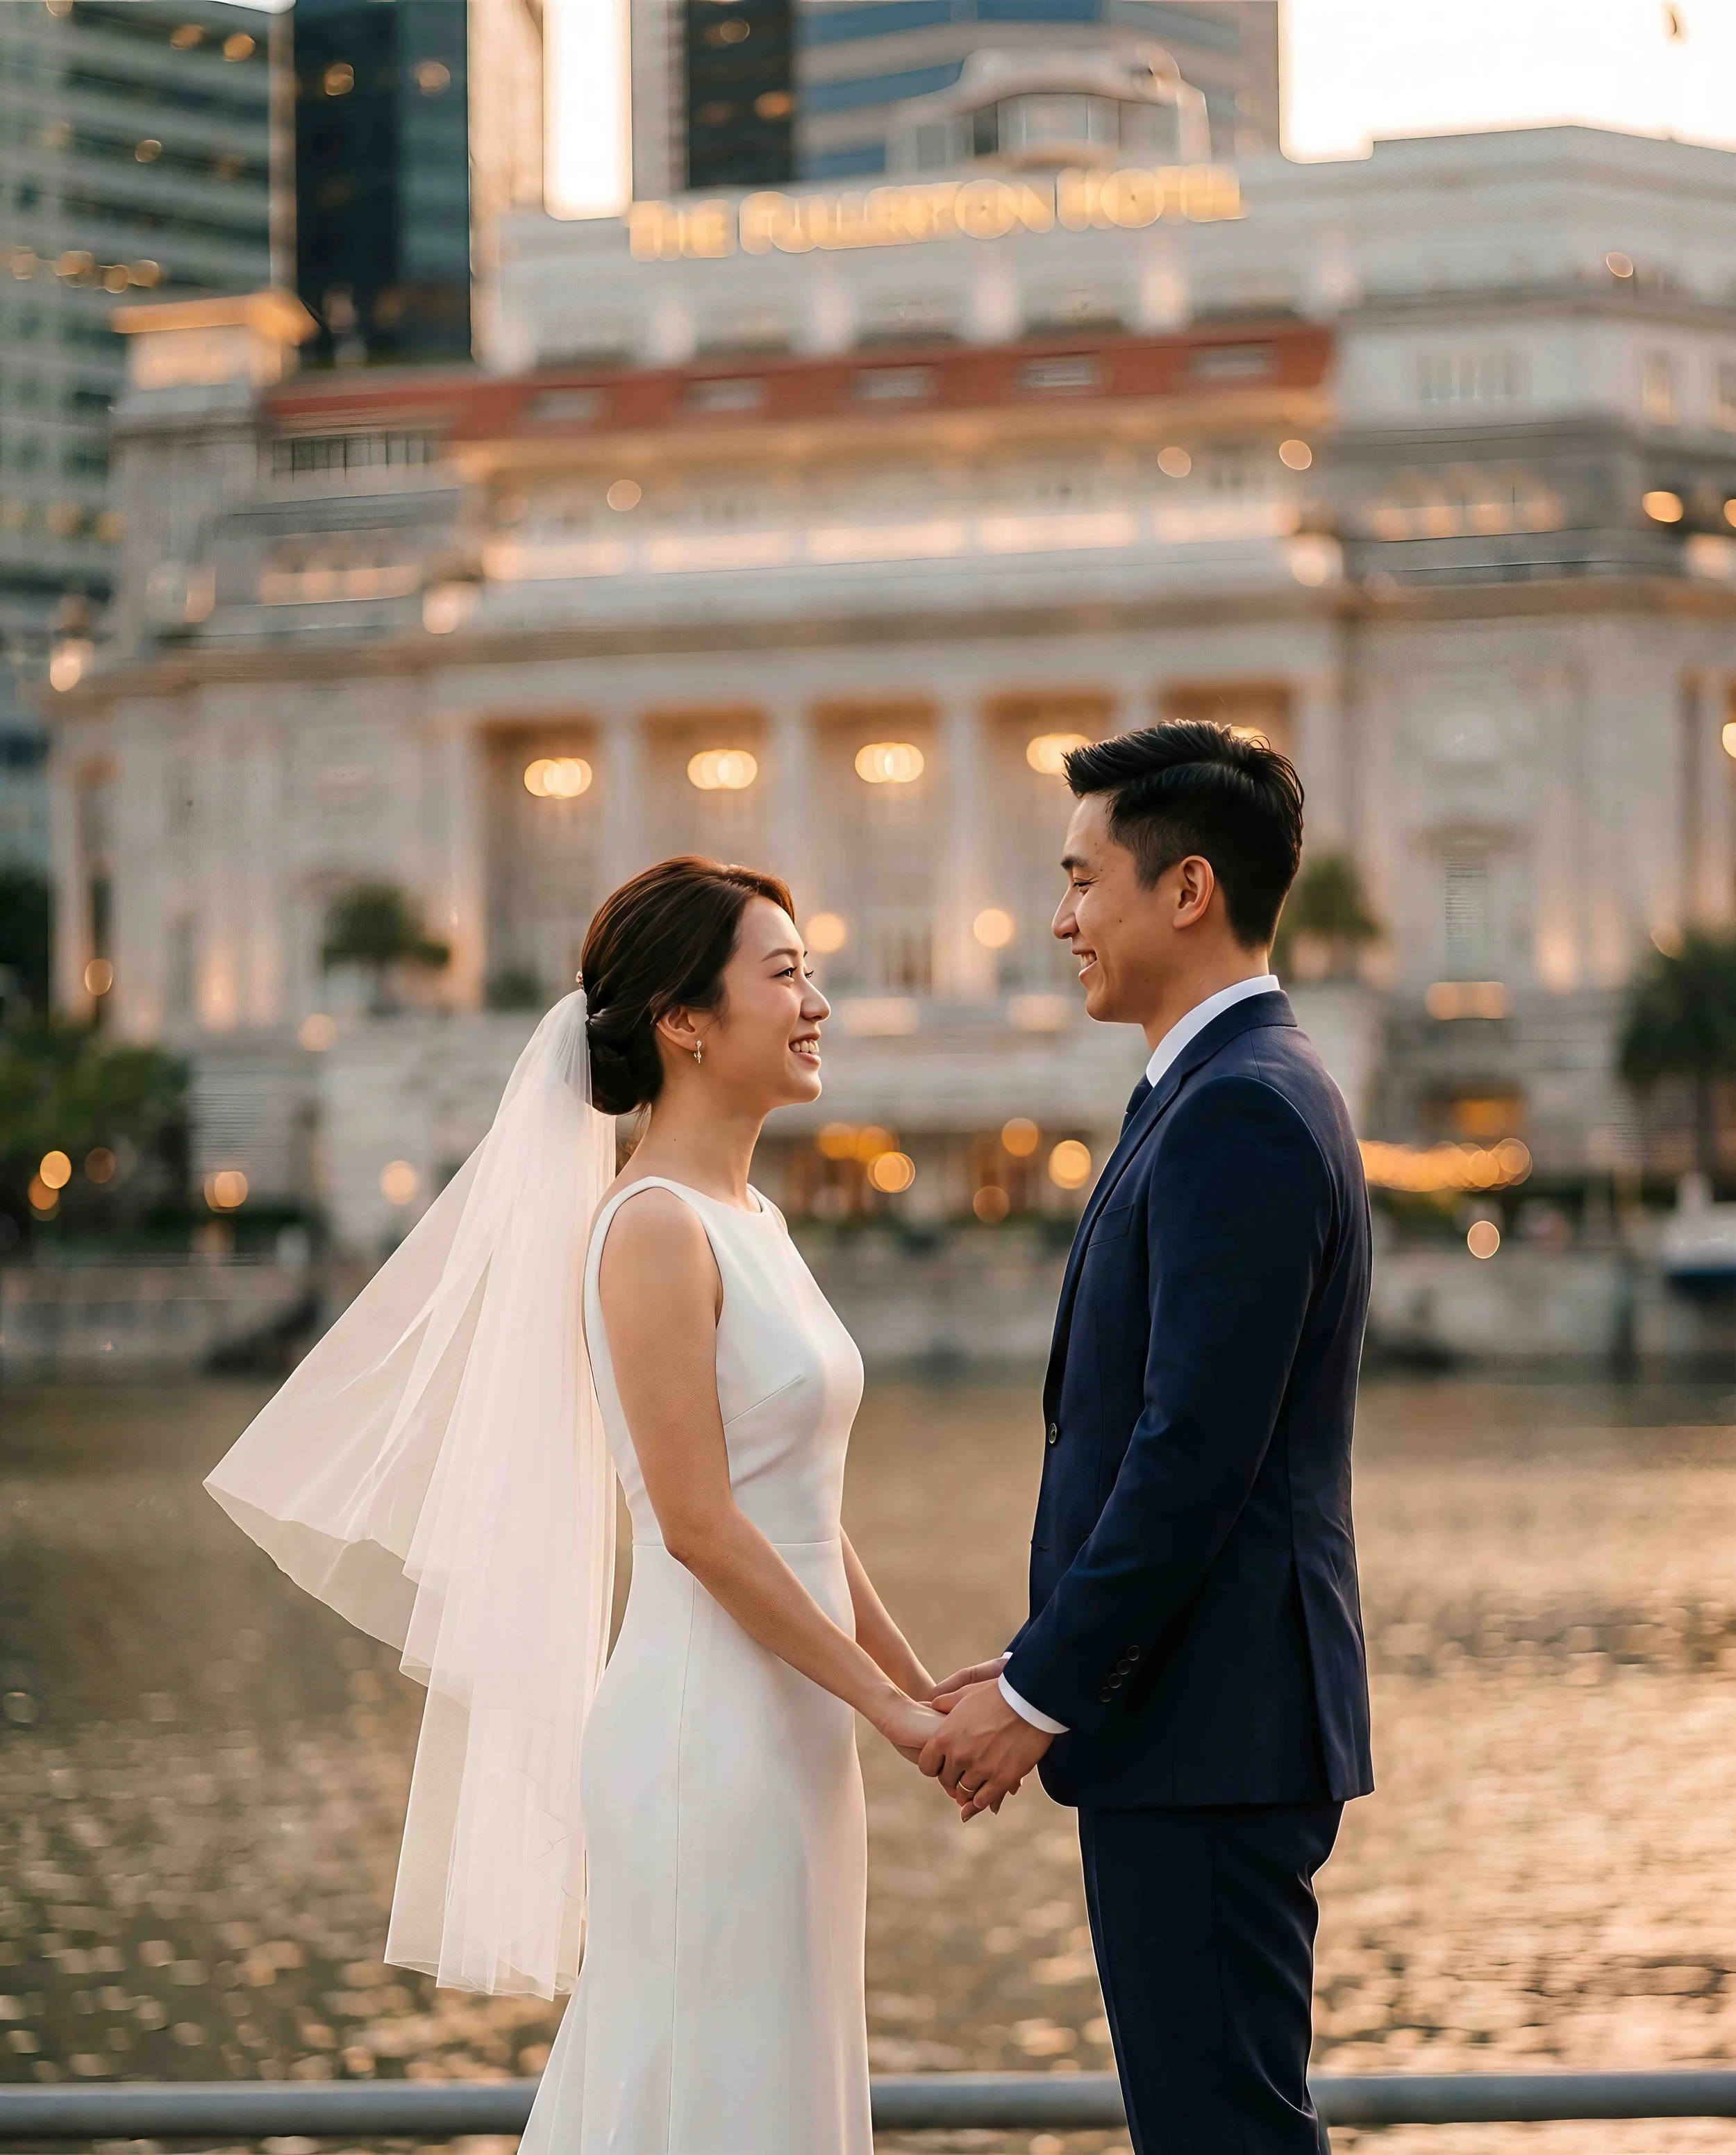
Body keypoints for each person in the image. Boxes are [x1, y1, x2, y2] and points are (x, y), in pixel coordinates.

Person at [206, 856, 947, 2155]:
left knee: (776, 2069)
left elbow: (800, 1507)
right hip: (703, 1729)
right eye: (785, 973)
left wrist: (918, 1685)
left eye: (810, 971)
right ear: (685, 1018)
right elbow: (700, 1524)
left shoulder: (754, 1215)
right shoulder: (652, 1226)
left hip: (796, 1733)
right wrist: (888, 1710)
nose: (816, 1000)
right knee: (700, 2079)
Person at [920, 722, 1375, 2155]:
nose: (1057, 920)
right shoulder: (1208, 1087)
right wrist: (1046, 1649)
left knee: (1221, 2137)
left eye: (1078, 881)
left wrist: (1043, 1690)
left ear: (1183, 892)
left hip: (1211, 1731)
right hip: (1190, 1718)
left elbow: (1192, 1456)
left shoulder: (1237, 1104)